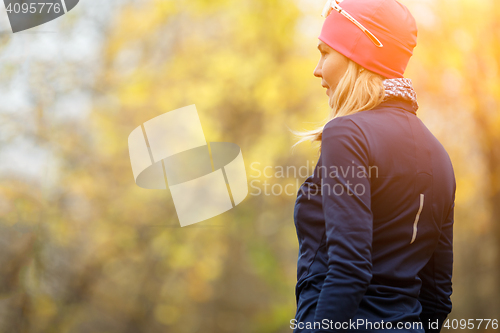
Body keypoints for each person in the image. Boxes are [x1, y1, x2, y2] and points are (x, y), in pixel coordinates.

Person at [291, 0, 456, 332]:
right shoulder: (438, 154)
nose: (317, 69)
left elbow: (349, 269)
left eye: (325, 53)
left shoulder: (346, 134)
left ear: (357, 57)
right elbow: (438, 296)